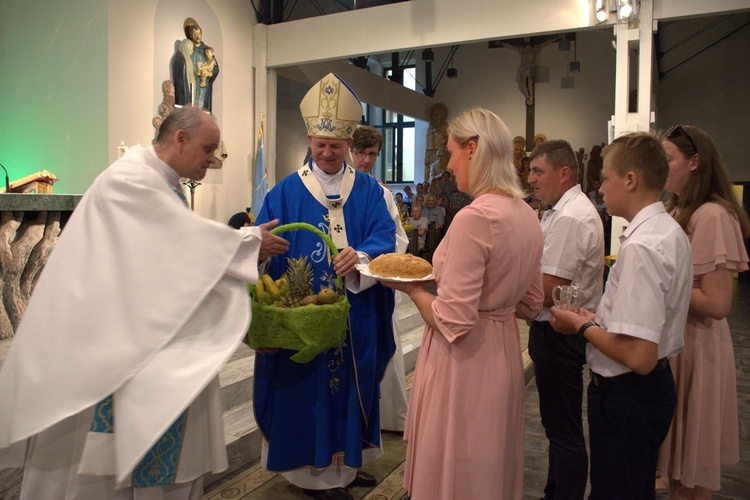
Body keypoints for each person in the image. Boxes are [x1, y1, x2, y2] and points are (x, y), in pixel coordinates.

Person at [0, 106, 290, 498]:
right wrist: (246, 242)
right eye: (208, 149)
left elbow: (167, 257)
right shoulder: (130, 178)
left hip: (140, 336)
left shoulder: (159, 181)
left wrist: (245, 246)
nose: (213, 159)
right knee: (97, 475)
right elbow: (172, 242)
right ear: (180, 138)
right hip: (108, 345)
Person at [381, 108, 544, 498]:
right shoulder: (527, 213)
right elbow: (532, 302)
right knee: (488, 468)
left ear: (473, 149)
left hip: (465, 363)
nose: (448, 164)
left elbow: (453, 321)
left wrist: (412, 288)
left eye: (452, 152)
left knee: (457, 469)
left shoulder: (476, 217)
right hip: (502, 351)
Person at [254, 73, 396, 500]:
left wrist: (362, 258)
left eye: (336, 145)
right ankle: (311, 476)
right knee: (308, 396)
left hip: (355, 318)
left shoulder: (370, 192)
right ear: (310, 141)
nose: (328, 153)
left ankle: (345, 466)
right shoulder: (283, 193)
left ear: (349, 143)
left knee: (350, 391)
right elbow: (263, 247)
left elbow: (385, 239)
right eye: (320, 145)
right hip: (301, 320)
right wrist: (260, 251)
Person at [550, 132, 693, 500]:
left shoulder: (644, 246)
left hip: (629, 395)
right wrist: (598, 319)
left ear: (631, 180)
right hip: (646, 391)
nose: (600, 188)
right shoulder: (665, 230)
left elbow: (638, 356)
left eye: (606, 178)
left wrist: (580, 325)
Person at [657, 125, 750, 499]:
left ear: (694, 162)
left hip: (699, 348)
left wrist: (661, 286)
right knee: (677, 463)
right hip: (679, 343)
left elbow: (717, 304)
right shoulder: (677, 207)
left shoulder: (712, 215)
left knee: (692, 471)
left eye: (668, 160)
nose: (661, 168)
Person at [526, 139, 605, 499]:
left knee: (563, 428)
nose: (530, 178)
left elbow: (547, 289)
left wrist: (499, 300)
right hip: (555, 332)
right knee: (558, 425)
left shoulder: (571, 216)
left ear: (564, 173)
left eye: (538, 171)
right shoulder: (560, 210)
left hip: (559, 333)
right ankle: (556, 492)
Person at [350, 125, 410, 433]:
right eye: (360, 153)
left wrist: (367, 258)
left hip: (375, 283)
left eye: (372, 154)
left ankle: (390, 417)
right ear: (351, 150)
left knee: (387, 345)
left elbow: (398, 239)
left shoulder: (381, 193)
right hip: (344, 285)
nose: (366, 160)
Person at [170, 18, 219, 112]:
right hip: (191, 84)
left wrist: (209, 73)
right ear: (191, 35)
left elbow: (216, 68)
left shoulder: (207, 50)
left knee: (202, 111)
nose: (198, 37)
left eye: (199, 34)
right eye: (195, 34)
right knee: (190, 112)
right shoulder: (188, 47)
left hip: (202, 87)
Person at [499, 36, 559, 106]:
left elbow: (546, 42)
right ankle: (528, 97)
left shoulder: (535, 48)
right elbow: (510, 46)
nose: (527, 40)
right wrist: (501, 43)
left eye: (528, 38)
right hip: (523, 66)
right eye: (525, 38)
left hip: (531, 65)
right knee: (521, 85)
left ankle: (531, 98)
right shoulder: (521, 49)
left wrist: (557, 38)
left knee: (530, 83)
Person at [424, 103, 449, 181]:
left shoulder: (445, 125)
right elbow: (428, 138)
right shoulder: (431, 125)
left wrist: (441, 136)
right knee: (431, 167)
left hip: (441, 150)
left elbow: (447, 137)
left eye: (438, 114)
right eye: (435, 114)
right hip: (431, 151)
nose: (436, 116)